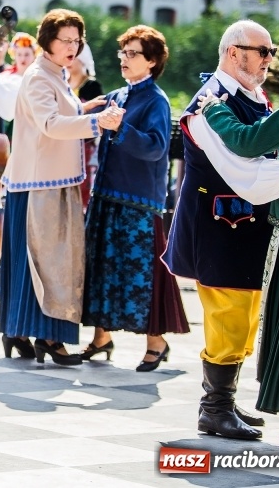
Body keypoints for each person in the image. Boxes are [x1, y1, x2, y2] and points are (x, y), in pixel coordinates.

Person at [163, 19, 279, 440]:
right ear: (234, 52)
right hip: (217, 227)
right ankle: (213, 409)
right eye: (262, 50)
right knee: (227, 320)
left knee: (243, 319)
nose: (269, 59)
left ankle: (224, 404)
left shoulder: (251, 95)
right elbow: (238, 170)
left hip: (243, 227)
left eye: (271, 51)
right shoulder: (207, 102)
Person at [0, 9, 123, 365]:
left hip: (44, 181)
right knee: (49, 264)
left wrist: (84, 108)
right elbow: (51, 124)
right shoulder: (39, 76)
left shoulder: (53, 73)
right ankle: (49, 338)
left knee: (37, 263)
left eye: (76, 40)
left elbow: (52, 117)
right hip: (41, 185)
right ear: (47, 41)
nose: (72, 46)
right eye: (65, 40)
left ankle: (20, 332)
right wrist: (96, 121)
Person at [80, 25, 189, 371]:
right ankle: (101, 337)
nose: (125, 60)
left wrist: (120, 128)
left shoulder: (157, 100)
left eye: (133, 54)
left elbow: (157, 148)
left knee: (144, 275)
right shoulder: (118, 95)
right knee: (100, 267)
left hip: (140, 204)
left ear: (152, 61)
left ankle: (156, 343)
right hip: (106, 196)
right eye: (122, 53)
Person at [69, 45, 104, 208]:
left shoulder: (91, 86)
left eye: (75, 57)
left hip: (84, 147)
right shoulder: (62, 82)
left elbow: (95, 117)